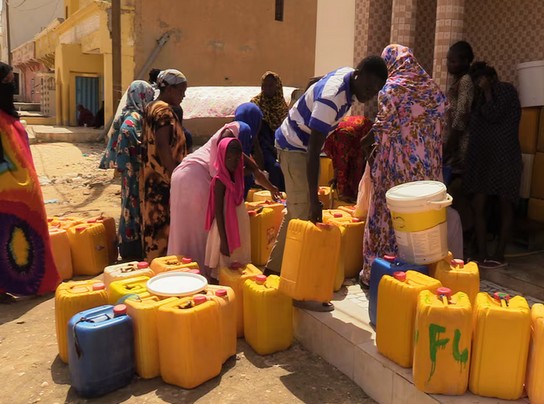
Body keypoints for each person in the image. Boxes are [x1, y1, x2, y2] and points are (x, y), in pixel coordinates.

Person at [266, 55, 388, 311]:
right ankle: (299, 292)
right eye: (368, 87)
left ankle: (273, 273)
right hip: (295, 149)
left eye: (375, 90)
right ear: (358, 74)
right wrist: (314, 200)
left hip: (297, 145)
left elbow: (315, 83)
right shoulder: (333, 98)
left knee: (295, 215)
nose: (370, 93)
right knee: (305, 219)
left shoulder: (346, 79)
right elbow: (312, 152)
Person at [359, 44, 447, 287]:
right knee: (421, 221)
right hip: (427, 172)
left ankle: (378, 274)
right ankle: (421, 274)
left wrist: (370, 149)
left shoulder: (391, 88)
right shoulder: (432, 88)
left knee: (387, 217)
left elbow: (385, 127)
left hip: (396, 169)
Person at [168, 105, 281, 269]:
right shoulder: (229, 149)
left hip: (181, 177)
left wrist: (271, 187)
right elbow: (248, 171)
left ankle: (179, 271)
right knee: (199, 235)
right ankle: (197, 272)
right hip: (196, 180)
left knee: (183, 234)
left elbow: (255, 169)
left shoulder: (229, 144)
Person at [0, 62, 60, 303]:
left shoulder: (8, 114)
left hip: (26, 193)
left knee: (32, 236)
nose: (10, 85)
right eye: (5, 82)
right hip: (6, 195)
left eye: (10, 81)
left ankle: (40, 282)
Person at [464, 62, 522, 268]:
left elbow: (495, 114)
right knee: (478, 204)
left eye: (480, 80)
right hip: (485, 161)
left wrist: (488, 92)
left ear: (490, 77)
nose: (477, 84)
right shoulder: (479, 99)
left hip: (505, 160)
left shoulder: (506, 91)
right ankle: (481, 253)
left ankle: (499, 255)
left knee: (506, 204)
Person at [99, 80, 155, 260]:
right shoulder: (135, 117)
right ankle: (132, 248)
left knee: (128, 206)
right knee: (134, 206)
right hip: (135, 171)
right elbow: (125, 131)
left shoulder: (125, 113)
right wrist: (139, 149)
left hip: (128, 171)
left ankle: (127, 245)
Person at [140, 69, 188, 261]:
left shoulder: (152, 106)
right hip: (163, 179)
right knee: (162, 225)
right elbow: (162, 145)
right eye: (181, 91)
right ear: (170, 89)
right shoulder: (164, 112)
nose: (183, 96)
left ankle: (155, 263)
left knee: (153, 222)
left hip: (152, 176)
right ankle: (161, 267)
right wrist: (174, 174)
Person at [204, 137, 250, 282]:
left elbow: (255, 168)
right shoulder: (220, 181)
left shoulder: (237, 178)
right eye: (229, 157)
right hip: (224, 231)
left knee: (237, 267)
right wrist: (224, 241)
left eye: (237, 158)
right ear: (222, 156)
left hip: (238, 227)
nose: (234, 162)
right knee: (222, 266)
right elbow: (218, 212)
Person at [443, 41, 475, 244]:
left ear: (465, 61)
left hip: (463, 147)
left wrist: (449, 146)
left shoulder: (465, 81)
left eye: (453, 61)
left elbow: (462, 114)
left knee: (456, 191)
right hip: (456, 145)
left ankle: (467, 233)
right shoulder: (457, 81)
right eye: (448, 60)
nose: (449, 64)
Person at [250, 71, 289, 190]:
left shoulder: (282, 107)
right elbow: (255, 135)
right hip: (261, 147)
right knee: (276, 168)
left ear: (277, 86)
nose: (267, 88)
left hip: (280, 146)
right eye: (264, 85)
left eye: (270, 85)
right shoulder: (256, 104)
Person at [323, 115, 373, 202]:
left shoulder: (336, 139)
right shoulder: (331, 138)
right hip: (360, 130)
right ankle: (356, 196)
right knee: (356, 163)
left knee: (357, 164)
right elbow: (337, 160)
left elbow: (341, 164)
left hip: (361, 132)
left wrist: (342, 188)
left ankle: (354, 197)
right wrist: (336, 177)